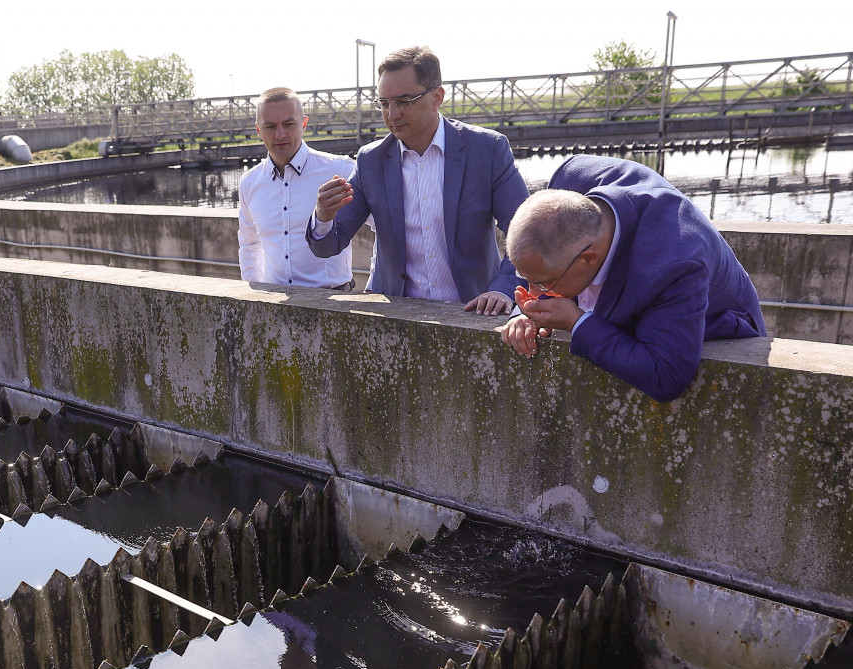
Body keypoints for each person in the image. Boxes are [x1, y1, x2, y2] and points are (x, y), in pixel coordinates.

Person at [500, 154, 766, 402]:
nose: (535, 291)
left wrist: (577, 321)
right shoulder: (569, 180)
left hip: (719, 326)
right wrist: (525, 312)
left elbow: (667, 376)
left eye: (544, 284)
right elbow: (540, 254)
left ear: (588, 259)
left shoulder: (674, 263)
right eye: (527, 281)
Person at [307, 45, 529, 314]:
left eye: (404, 101)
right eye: (384, 103)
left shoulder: (487, 150)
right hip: (397, 320)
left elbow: (527, 232)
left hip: (473, 313)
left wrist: (502, 289)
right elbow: (328, 246)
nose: (392, 114)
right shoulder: (371, 161)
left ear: (437, 97)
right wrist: (323, 217)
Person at [238, 88, 357, 289]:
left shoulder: (341, 170)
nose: (280, 134)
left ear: (304, 124)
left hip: (333, 305)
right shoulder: (249, 183)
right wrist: (252, 299)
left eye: (288, 124)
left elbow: (381, 227)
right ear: (258, 129)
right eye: (270, 126)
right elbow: (250, 246)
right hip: (273, 306)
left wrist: (375, 282)